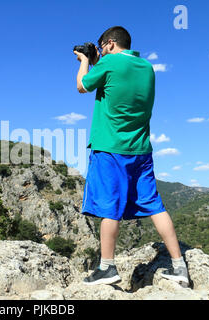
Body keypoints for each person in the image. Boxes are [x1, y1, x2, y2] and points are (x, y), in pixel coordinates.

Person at [73, 26, 189, 287]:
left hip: (110, 148)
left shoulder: (110, 62)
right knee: (155, 205)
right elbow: (118, 80)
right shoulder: (146, 67)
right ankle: (180, 266)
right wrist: (99, 61)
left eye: (102, 45)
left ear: (111, 43)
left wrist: (84, 62)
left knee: (109, 208)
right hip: (141, 150)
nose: (100, 50)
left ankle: (107, 268)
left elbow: (82, 86)